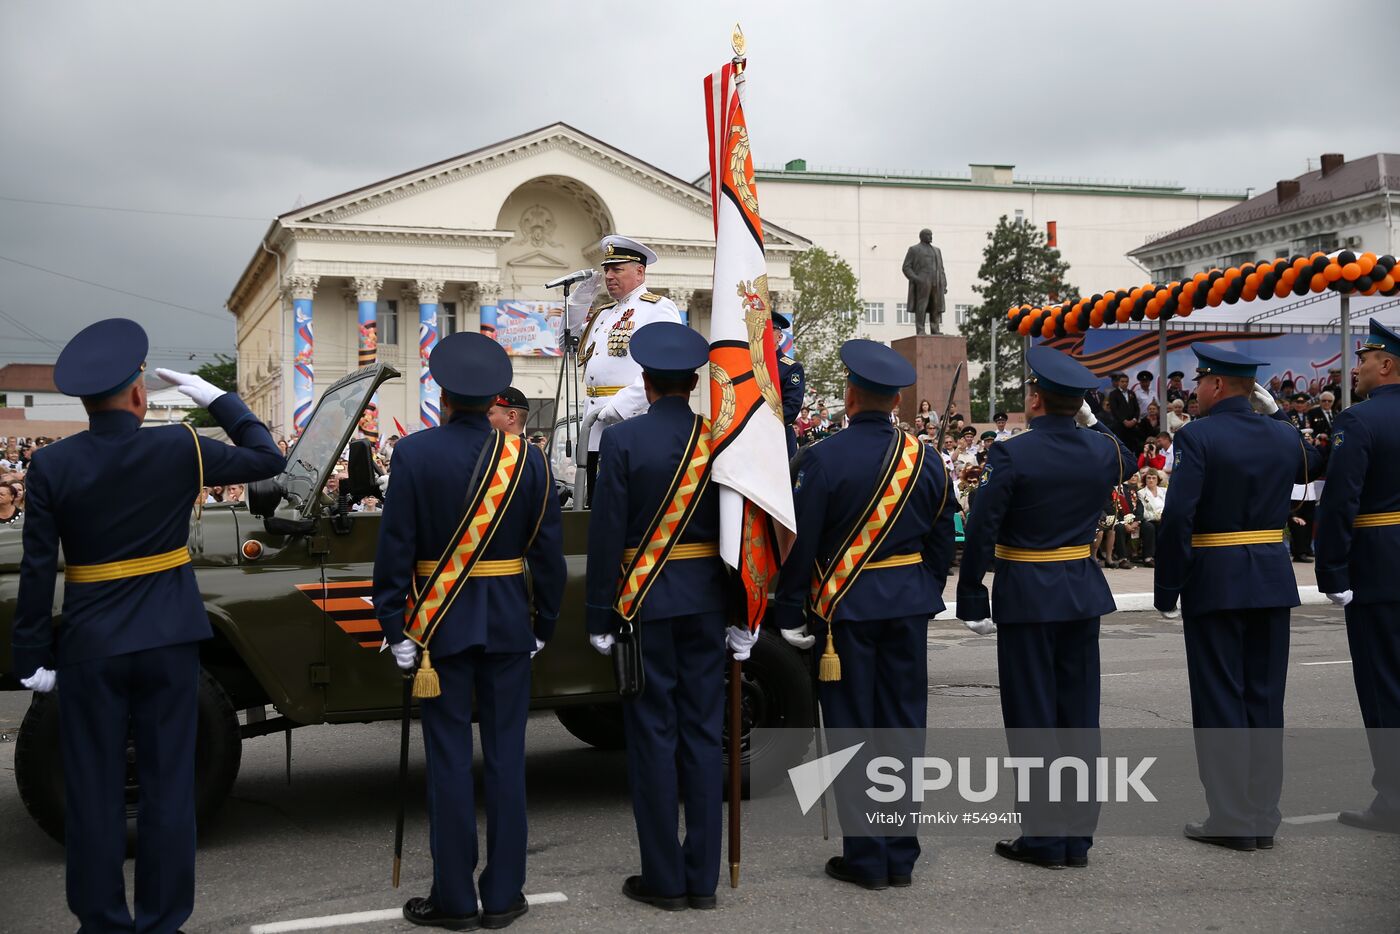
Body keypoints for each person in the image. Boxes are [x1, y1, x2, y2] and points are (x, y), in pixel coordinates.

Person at [10, 318, 283, 934]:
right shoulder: (178, 446)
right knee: (167, 792)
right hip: (166, 641)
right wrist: (219, 399)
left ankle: (102, 922)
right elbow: (270, 458)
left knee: (93, 793)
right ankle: (162, 921)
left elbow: (36, 566)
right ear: (139, 393)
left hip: (90, 644)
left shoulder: (51, 465)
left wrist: (30, 651)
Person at [373, 332, 565, 931]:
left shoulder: (413, 454)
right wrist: (545, 622)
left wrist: (395, 626)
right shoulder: (526, 457)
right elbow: (548, 555)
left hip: (439, 629)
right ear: (492, 401)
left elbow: (395, 549)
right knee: (507, 761)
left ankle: (454, 899)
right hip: (509, 624)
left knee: (450, 764)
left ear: (442, 392)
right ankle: (504, 895)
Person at [775, 339, 955, 890]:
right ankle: (900, 853)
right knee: (903, 730)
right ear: (897, 402)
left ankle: (866, 858)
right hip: (906, 606)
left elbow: (800, 546)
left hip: (844, 612)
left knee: (854, 732)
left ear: (850, 397)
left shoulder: (822, 457)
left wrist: (790, 608)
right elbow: (943, 540)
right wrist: (917, 586)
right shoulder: (926, 459)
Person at [957, 346, 1135, 869]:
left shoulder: (1014, 453)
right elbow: (1121, 447)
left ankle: (1042, 837)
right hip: (1079, 588)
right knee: (1079, 718)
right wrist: (1088, 412)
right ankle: (1077, 837)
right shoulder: (1100, 451)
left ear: (1034, 399)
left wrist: (971, 592)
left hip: (1028, 591)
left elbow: (984, 525)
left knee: (1033, 717)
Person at [584, 322, 735, 911]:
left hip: (645, 604)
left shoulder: (622, 443)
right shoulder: (721, 439)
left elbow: (605, 536)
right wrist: (746, 607)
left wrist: (600, 612)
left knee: (653, 738)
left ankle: (663, 879)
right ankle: (703, 880)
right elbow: (741, 532)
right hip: (708, 602)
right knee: (702, 737)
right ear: (693, 384)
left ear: (646, 384)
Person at [1154, 343, 1321, 852]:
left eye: (1200, 381)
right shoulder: (1283, 436)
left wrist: (1168, 586)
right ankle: (1263, 816)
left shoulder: (1198, 436)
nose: (1194, 390)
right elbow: (1314, 464)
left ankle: (1230, 816)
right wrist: (1276, 416)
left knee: (1220, 697)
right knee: (1265, 698)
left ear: (1218, 385)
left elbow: (1180, 514)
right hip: (1270, 575)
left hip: (1216, 578)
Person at [1315, 318, 1400, 834]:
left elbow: (1342, 501)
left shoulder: (1358, 420)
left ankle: (1393, 799)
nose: (1359, 365)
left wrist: (1332, 570)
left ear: (1387, 365)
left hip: (1380, 567)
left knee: (1384, 683)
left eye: (1366, 357)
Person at [571, 235, 683, 498]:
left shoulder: (657, 308)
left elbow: (664, 366)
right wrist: (580, 298)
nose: (609, 275)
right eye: (606, 269)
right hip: (594, 423)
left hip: (631, 418)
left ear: (640, 272)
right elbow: (568, 337)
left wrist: (621, 407)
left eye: (617, 269)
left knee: (629, 499)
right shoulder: (604, 313)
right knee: (597, 501)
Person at [774, 311, 806, 459]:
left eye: (769, 330)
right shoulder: (750, 365)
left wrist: (762, 423)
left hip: (778, 436)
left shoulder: (791, 368)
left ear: (779, 337)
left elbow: (792, 406)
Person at [1137, 468, 1167, 566]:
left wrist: (1164, 516)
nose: (1151, 480)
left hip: (1163, 518)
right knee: (1149, 527)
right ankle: (1148, 558)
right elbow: (1143, 511)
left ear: (1158, 480)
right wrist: (1157, 516)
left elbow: (1168, 506)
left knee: (1167, 525)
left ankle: (1164, 556)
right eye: (1148, 478)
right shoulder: (1141, 493)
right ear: (1145, 480)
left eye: (1154, 478)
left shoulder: (1164, 491)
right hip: (1148, 519)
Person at [1108, 372, 1140, 448]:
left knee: (1132, 446)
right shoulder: (1113, 394)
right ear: (1118, 382)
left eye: (1126, 381)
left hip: (1132, 426)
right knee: (1121, 446)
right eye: (1122, 381)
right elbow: (1114, 410)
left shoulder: (1131, 393)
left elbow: (1137, 408)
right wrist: (1124, 421)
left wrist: (1134, 420)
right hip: (1120, 426)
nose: (1125, 383)